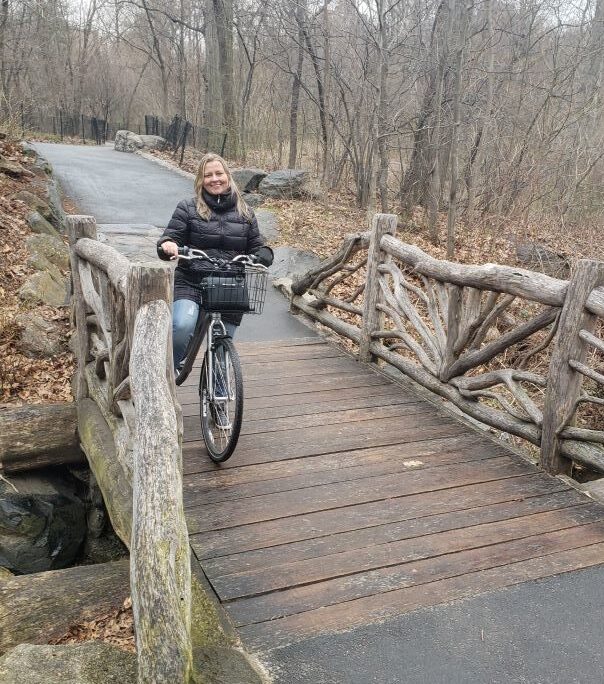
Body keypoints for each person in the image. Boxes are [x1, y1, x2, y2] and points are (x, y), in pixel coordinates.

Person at [157, 153, 273, 370]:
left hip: (229, 285)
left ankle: (219, 398)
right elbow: (169, 238)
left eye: (219, 173)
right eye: (208, 175)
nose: (214, 179)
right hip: (192, 280)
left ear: (228, 176)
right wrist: (168, 245)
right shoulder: (187, 208)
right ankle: (168, 373)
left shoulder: (245, 212)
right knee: (182, 326)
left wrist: (265, 254)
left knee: (222, 345)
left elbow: (257, 246)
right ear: (201, 180)